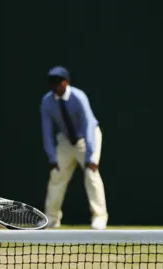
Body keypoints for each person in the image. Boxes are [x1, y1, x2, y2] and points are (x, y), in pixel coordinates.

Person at [40, 66, 108, 230]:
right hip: (65, 141)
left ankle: (99, 217)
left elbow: (89, 125)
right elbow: (47, 131)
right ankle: (51, 218)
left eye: (58, 81)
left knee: (92, 175)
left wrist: (91, 156)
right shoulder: (47, 101)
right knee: (56, 176)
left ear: (66, 82)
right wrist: (52, 157)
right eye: (52, 82)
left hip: (87, 138)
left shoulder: (79, 97)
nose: (55, 85)